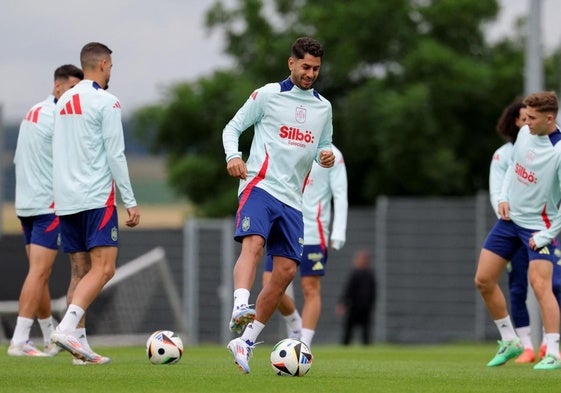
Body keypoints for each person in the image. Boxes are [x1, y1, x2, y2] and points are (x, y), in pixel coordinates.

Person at [222, 37, 335, 374]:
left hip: (292, 201)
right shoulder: (268, 94)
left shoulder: (323, 108)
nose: (310, 74)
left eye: (315, 69)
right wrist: (233, 156)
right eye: (305, 67)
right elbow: (233, 127)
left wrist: (325, 155)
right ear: (291, 63)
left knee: (285, 272)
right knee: (253, 244)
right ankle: (240, 304)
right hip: (259, 186)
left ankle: (246, 340)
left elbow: (323, 145)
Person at [50, 42, 141, 364]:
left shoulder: (62, 102)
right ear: (103, 64)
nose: (111, 71)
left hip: (65, 198)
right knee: (104, 268)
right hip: (95, 197)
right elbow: (115, 153)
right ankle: (66, 328)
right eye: (111, 67)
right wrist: (129, 201)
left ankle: (80, 348)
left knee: (80, 271)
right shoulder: (107, 102)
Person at [474, 91, 561, 370]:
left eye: (532, 118)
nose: (526, 123)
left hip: (539, 226)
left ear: (550, 118)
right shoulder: (524, 134)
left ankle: (554, 350)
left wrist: (548, 235)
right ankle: (510, 340)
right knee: (483, 280)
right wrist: (503, 197)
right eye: (525, 117)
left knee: (540, 286)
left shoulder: (558, 151)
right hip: (509, 223)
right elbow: (515, 166)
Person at [8, 65, 84, 357]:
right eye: (71, 90)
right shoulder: (59, 118)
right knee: (40, 273)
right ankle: (19, 340)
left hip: (25, 203)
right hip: (47, 206)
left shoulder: (33, 111)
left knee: (37, 273)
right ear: (57, 88)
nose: (75, 96)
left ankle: (49, 336)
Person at [261, 144, 348, 348]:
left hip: (313, 233)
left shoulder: (334, 155)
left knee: (310, 288)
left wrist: (339, 231)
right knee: (270, 284)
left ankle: (304, 345)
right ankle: (295, 324)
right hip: (284, 228)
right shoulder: (290, 143)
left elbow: (341, 194)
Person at [336, 250, 377, 346]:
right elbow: (348, 291)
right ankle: (345, 346)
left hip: (364, 308)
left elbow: (373, 292)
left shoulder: (369, 275)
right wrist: (343, 303)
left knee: (365, 331)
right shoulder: (356, 273)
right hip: (354, 307)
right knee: (348, 330)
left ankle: (366, 347)